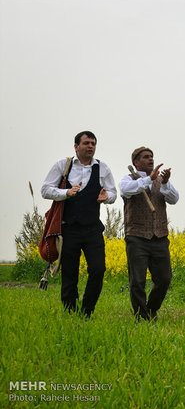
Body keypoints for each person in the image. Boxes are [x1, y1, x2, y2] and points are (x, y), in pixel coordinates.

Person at [41, 131, 117, 318]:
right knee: (69, 274)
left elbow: (113, 194)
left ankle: (87, 311)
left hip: (92, 229)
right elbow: (45, 190)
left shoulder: (102, 168)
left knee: (98, 270)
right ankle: (70, 312)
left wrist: (106, 198)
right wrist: (65, 193)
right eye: (86, 143)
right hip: (68, 229)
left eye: (93, 143)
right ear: (76, 146)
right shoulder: (62, 165)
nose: (90, 146)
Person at [119, 147, 179, 321]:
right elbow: (126, 190)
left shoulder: (160, 180)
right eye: (146, 157)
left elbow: (174, 199)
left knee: (165, 278)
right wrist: (147, 180)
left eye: (151, 156)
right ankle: (141, 316)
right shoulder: (128, 179)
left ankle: (151, 308)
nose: (150, 159)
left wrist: (165, 183)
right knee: (137, 281)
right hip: (136, 236)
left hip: (159, 236)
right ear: (136, 162)